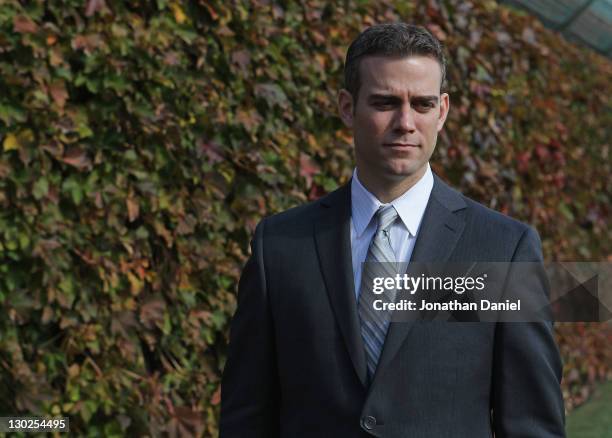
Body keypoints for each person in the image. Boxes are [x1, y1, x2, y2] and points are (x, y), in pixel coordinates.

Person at [220, 23, 565, 437]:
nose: (405, 122)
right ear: (348, 107)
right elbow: (246, 414)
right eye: (385, 102)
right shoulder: (278, 246)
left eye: (421, 104)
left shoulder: (503, 249)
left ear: (442, 111)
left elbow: (532, 424)